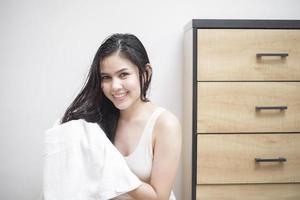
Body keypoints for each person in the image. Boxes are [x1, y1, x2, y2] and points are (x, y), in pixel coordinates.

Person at [60, 33, 181, 200]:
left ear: (145, 73)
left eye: (123, 74)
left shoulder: (165, 124)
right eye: (106, 77)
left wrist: (115, 170)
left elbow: (159, 197)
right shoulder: (98, 119)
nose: (115, 86)